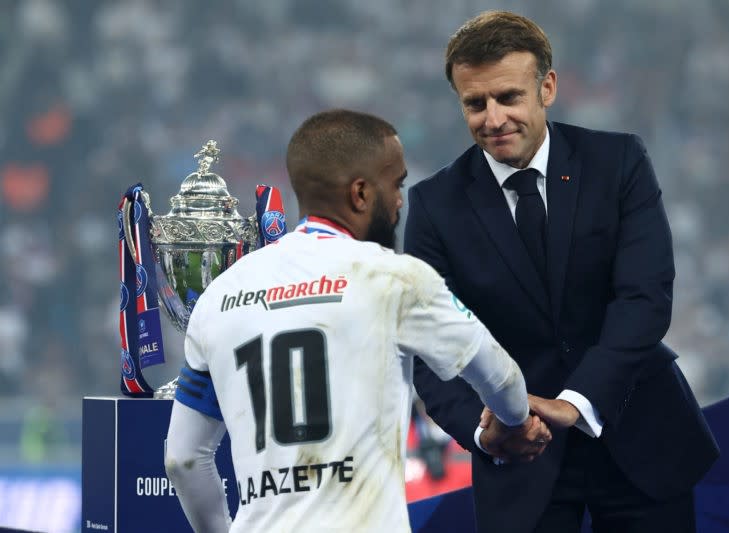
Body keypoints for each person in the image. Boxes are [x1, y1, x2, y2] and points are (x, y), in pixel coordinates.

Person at [403, 11, 720, 533]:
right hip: (518, 458)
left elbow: (644, 299)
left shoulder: (618, 161)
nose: (493, 118)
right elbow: (428, 348)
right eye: (474, 104)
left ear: (546, 87)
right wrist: (487, 435)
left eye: (508, 97)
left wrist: (574, 403)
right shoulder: (435, 204)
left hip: (636, 431)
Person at [164, 109, 552, 533]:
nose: (401, 200)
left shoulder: (220, 294)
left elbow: (183, 459)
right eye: (397, 184)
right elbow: (501, 378)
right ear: (361, 193)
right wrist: (511, 427)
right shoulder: (395, 280)